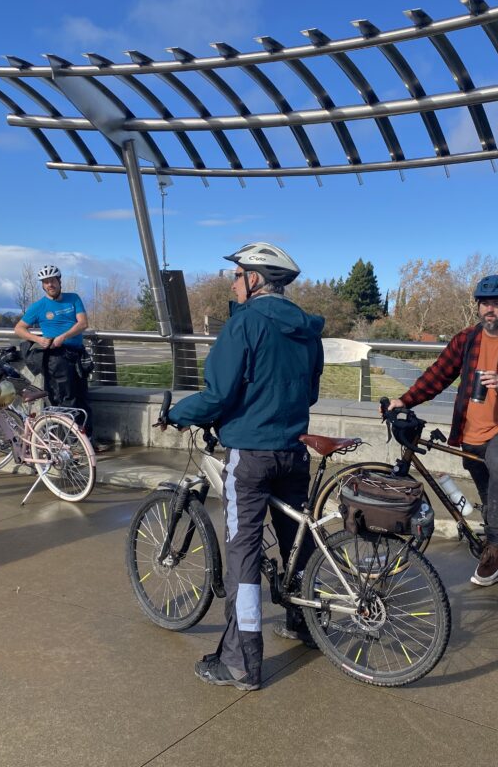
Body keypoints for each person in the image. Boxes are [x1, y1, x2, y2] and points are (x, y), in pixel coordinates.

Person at [165, 242, 324, 691]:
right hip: (294, 451)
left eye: (237, 276)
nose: (232, 284)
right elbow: (309, 394)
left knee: (244, 557)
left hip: (250, 457)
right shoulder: (308, 330)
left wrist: (179, 413)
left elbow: (217, 395)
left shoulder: (244, 325)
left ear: (255, 279)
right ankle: (305, 624)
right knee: (297, 543)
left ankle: (240, 664)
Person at [388, 274, 498, 586]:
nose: (490, 310)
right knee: (490, 499)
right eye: (485, 304)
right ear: (478, 307)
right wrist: (404, 400)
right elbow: (437, 375)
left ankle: (496, 549)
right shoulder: (466, 340)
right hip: (470, 432)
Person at [14, 264, 104, 452]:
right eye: (46, 282)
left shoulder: (73, 298)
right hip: (56, 358)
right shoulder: (38, 306)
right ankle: (70, 444)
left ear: (59, 281)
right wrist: (38, 339)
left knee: (82, 399)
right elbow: (19, 328)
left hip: (76, 354)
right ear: (43, 285)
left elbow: (83, 323)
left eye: (52, 281)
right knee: (65, 400)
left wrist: (64, 336)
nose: (50, 285)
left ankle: (88, 440)